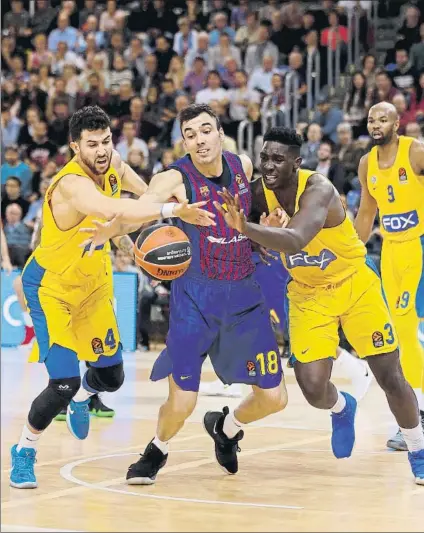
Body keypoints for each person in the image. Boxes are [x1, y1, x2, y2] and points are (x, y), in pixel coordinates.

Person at [9, 105, 215, 490]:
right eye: (92, 144)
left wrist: (178, 196)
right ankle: (24, 451)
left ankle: (85, 397)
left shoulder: (114, 163)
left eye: (106, 141)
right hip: (51, 288)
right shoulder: (72, 185)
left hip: (94, 284)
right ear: (75, 147)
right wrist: (172, 210)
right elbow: (111, 207)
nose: (102, 150)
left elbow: (144, 192)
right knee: (63, 382)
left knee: (112, 377)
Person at [85, 104, 288, 484]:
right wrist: (114, 231)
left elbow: (255, 214)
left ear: (220, 133)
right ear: (184, 141)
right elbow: (138, 212)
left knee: (275, 398)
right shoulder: (174, 178)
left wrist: (269, 224)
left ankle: (226, 428)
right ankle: (156, 449)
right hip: (195, 298)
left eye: (205, 130)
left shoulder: (242, 166)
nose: (199, 140)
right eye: (190, 134)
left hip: (245, 295)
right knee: (183, 401)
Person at [216, 126, 424, 485]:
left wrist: (248, 229)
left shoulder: (319, 190)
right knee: (312, 387)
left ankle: (418, 450)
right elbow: (231, 224)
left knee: (390, 375)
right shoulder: (257, 194)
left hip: (355, 284)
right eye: (264, 157)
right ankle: (343, 408)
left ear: (297, 162)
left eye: (278, 159)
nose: (268, 165)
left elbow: (295, 239)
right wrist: (253, 240)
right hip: (308, 292)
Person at [355, 102, 424, 451]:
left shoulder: (415, 154)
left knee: (406, 327)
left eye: (383, 118)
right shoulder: (367, 163)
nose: (376, 123)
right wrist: (350, 250)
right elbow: (367, 212)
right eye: (371, 119)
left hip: (419, 247)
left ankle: (420, 412)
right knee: (398, 330)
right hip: (390, 251)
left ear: (398, 123)